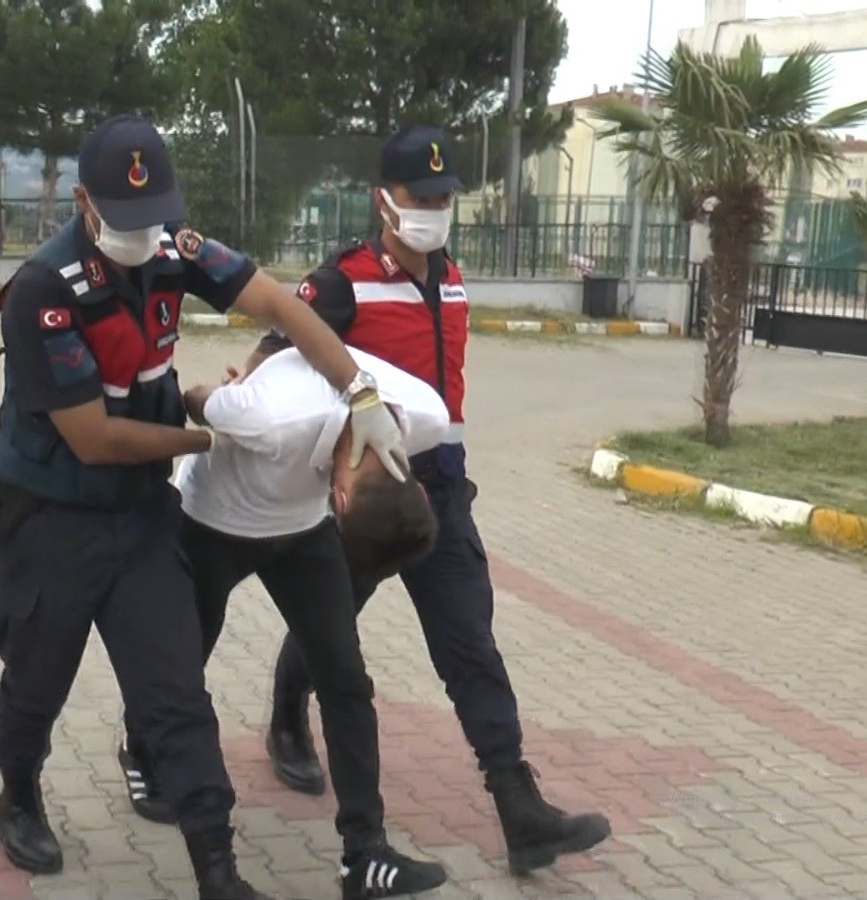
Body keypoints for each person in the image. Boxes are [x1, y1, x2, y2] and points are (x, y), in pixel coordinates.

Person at [0, 113, 409, 900]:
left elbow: (281, 305)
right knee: (36, 679)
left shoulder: (174, 247)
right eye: (127, 220)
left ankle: (218, 870)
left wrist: (359, 388)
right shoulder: (43, 291)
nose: (148, 235)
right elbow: (95, 439)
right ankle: (19, 790)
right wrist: (218, 437)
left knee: (174, 690)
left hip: (139, 519)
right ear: (84, 203)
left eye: (157, 216)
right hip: (50, 518)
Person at [242, 124, 613, 878]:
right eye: (423, 196)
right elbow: (282, 344)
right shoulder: (344, 280)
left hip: (442, 488)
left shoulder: (449, 272)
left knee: (469, 643)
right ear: (386, 199)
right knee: (331, 622)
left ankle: (519, 808)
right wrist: (243, 395)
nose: (436, 209)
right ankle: (287, 720)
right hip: (372, 491)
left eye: (447, 197)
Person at [116, 344, 455, 900]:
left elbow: (341, 353)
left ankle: (365, 857)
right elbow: (198, 400)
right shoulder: (272, 416)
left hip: (301, 532)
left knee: (345, 679)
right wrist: (240, 387)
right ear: (341, 501)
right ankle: (139, 748)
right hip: (213, 522)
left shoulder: (426, 416)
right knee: (182, 661)